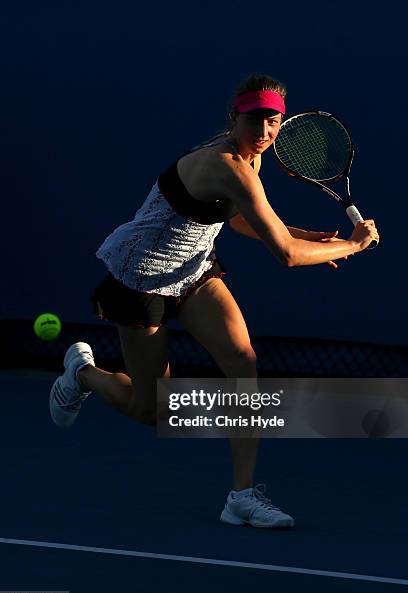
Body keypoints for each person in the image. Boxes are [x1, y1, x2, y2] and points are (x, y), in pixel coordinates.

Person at [49, 74, 379, 529]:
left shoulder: (250, 159)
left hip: (195, 272)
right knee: (152, 410)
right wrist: (353, 245)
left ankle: (240, 497)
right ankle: (82, 373)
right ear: (234, 117)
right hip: (139, 280)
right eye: (255, 121)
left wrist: (301, 235)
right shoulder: (228, 165)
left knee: (244, 362)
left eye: (273, 122)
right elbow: (285, 256)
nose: (264, 132)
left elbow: (239, 220)